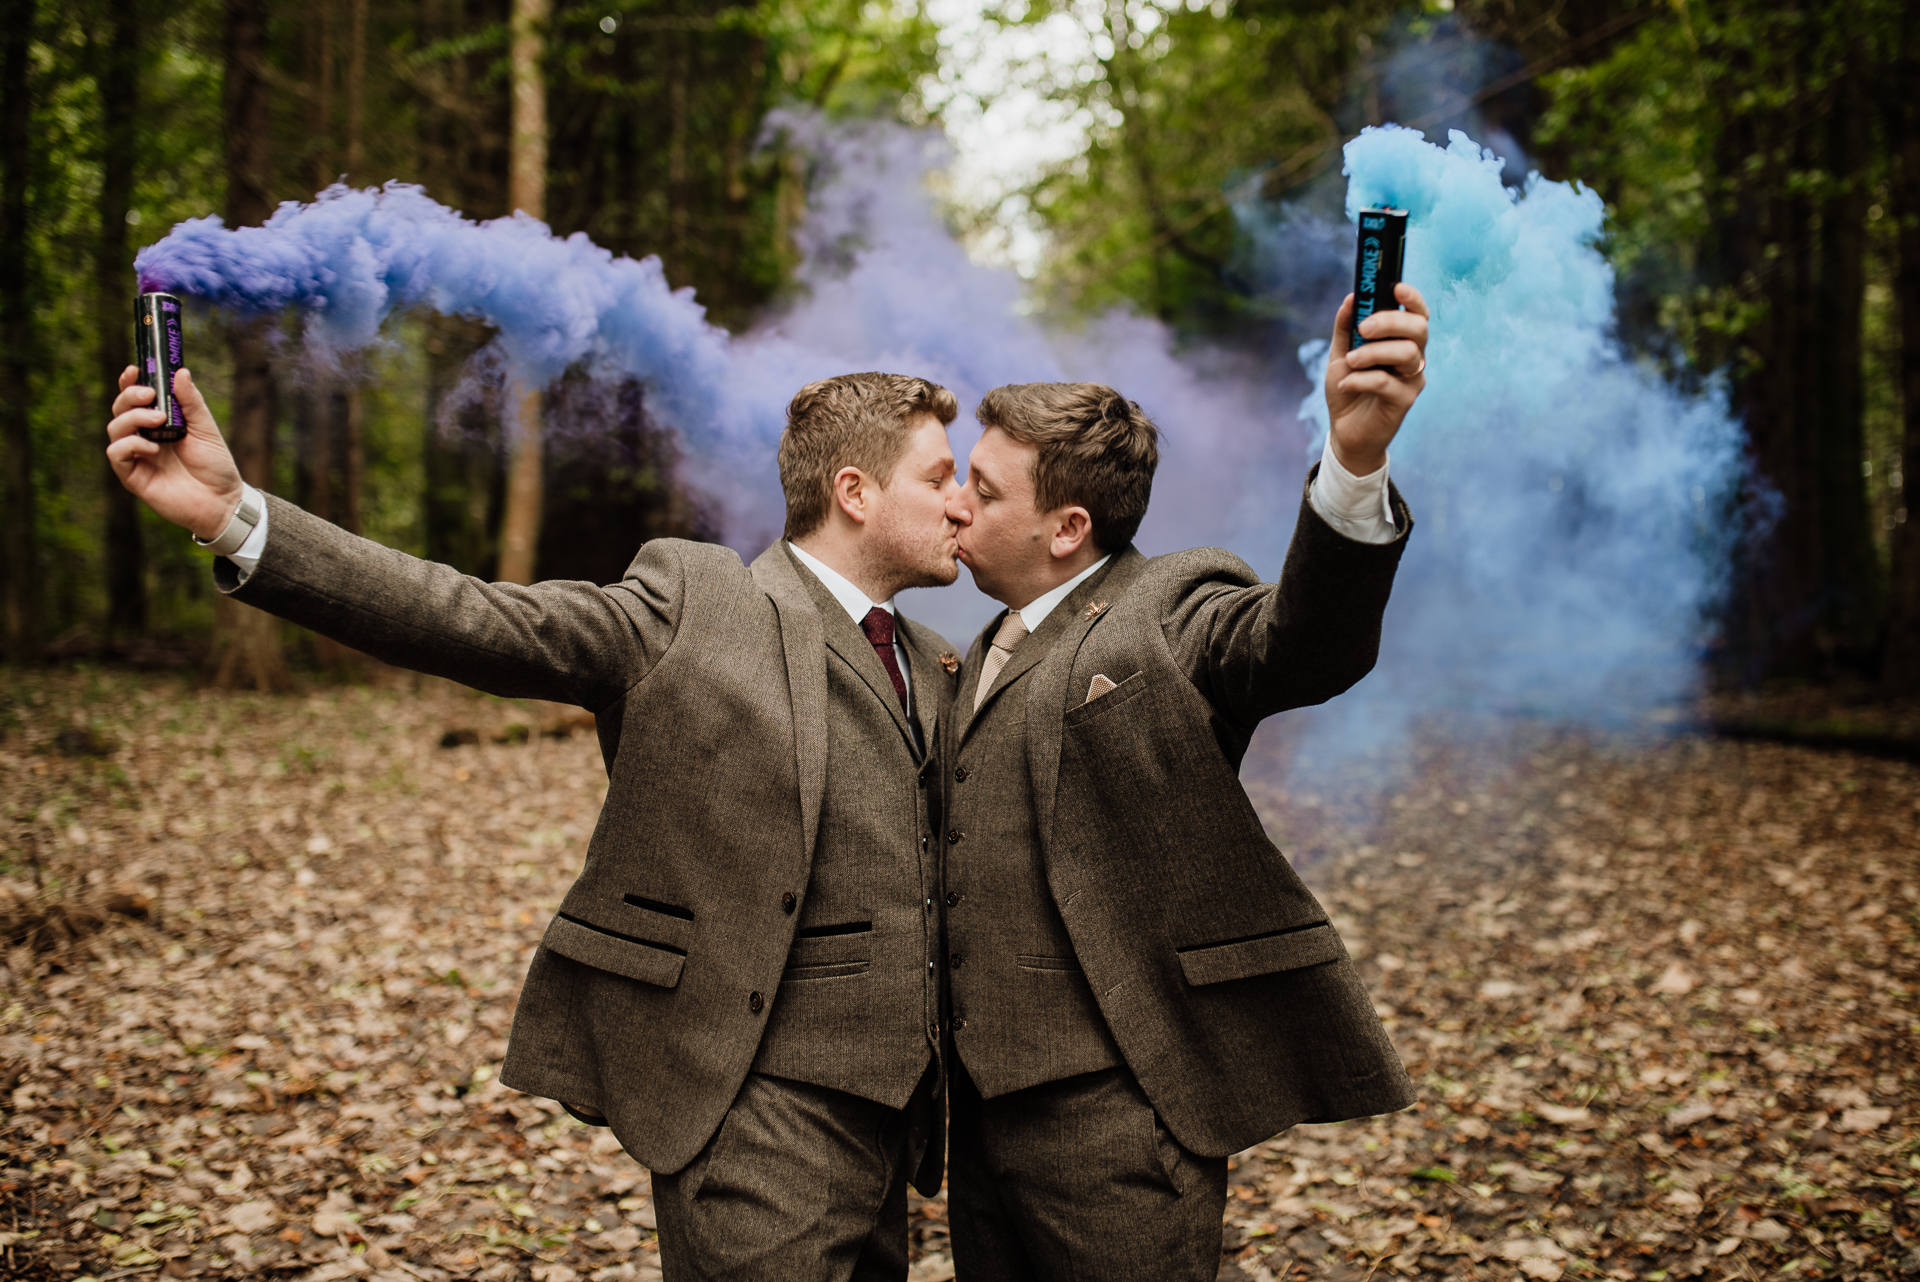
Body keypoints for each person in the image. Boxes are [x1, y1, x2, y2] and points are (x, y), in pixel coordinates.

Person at [106, 368, 970, 1282]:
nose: (959, 504)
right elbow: (469, 617)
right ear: (854, 492)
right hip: (753, 1114)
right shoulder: (696, 604)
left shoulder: (932, 658)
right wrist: (234, 513)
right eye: (939, 478)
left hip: (898, 1129)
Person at [935, 285, 1431, 1280]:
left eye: (983, 491)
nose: (954, 502)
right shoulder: (974, 646)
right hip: (976, 1126)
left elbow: (1305, 644)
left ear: (1067, 527)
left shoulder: (1169, 608)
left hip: (1121, 1123)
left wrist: (1357, 456)